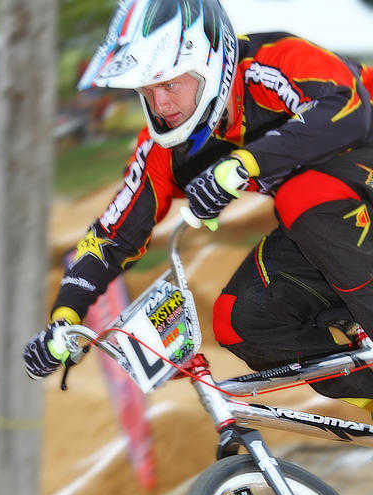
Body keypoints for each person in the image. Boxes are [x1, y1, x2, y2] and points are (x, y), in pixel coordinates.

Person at [24, 0, 373, 408]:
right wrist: (64, 318)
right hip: (342, 224)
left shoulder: (274, 60)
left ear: (210, 63)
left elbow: (348, 111)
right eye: (147, 90)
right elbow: (111, 236)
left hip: (350, 181)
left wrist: (245, 163)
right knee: (240, 320)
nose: (160, 105)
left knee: (303, 197)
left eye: (169, 85)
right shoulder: (166, 148)